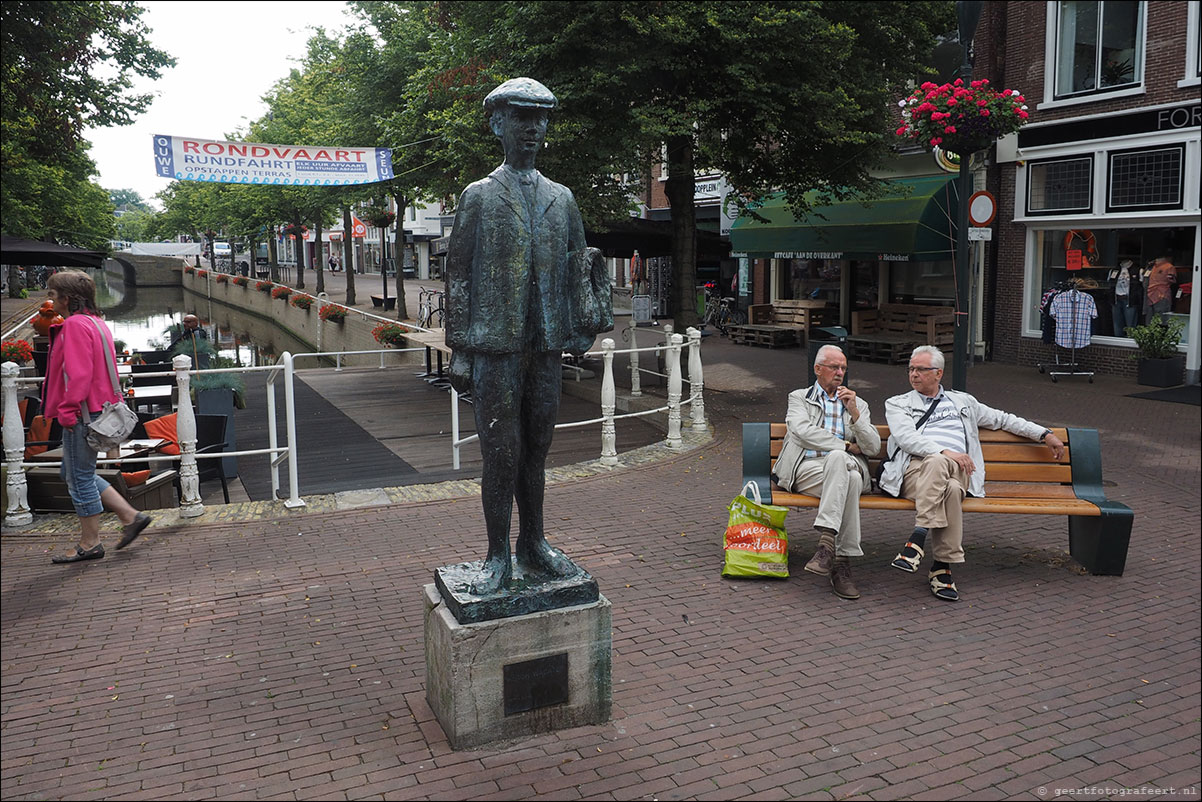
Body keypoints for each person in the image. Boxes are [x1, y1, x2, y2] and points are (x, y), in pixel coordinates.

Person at [444, 77, 612, 595]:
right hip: (495, 345)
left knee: (537, 448)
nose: (533, 127)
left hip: (545, 345)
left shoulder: (562, 198)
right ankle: (497, 552)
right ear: (498, 123)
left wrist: (582, 325)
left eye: (541, 118)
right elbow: (459, 276)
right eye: (521, 116)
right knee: (500, 452)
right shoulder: (479, 196)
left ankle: (533, 542)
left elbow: (581, 265)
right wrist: (461, 348)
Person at [879, 345, 1064, 601]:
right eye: (911, 369)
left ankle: (917, 540)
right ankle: (941, 567)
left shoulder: (963, 402)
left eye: (921, 369)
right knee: (949, 485)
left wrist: (1044, 433)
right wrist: (946, 452)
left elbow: (1004, 419)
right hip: (915, 472)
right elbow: (907, 438)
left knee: (945, 471)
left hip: (960, 469)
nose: (914, 374)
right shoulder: (898, 403)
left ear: (938, 373)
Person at [41, 271, 152, 564]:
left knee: (78, 478)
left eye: (52, 295)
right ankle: (131, 517)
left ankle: (90, 543)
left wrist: (66, 410)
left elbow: (78, 374)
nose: (49, 301)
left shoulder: (75, 326)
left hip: (81, 413)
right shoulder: (96, 322)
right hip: (97, 408)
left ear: (67, 298)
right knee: (74, 472)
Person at [771, 345, 880, 599]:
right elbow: (801, 431)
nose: (840, 372)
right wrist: (843, 446)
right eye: (834, 367)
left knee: (847, 471)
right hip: (808, 470)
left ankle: (827, 544)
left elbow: (873, 447)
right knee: (845, 468)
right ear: (818, 369)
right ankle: (842, 565)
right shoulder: (799, 397)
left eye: (843, 367)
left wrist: (855, 413)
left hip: (845, 469)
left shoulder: (857, 403)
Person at [1108, 259, 1142, 337]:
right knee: (1117, 325)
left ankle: (1130, 344)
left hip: (1130, 301)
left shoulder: (1137, 270)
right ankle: (1118, 343)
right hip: (1116, 300)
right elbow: (1110, 285)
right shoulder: (1114, 270)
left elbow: (1141, 287)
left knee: (1131, 326)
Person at [1144, 256, 1176, 323]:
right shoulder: (1151, 267)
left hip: (1161, 295)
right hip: (1149, 295)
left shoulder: (1169, 267)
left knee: (1161, 320)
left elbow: (1172, 280)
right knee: (1149, 320)